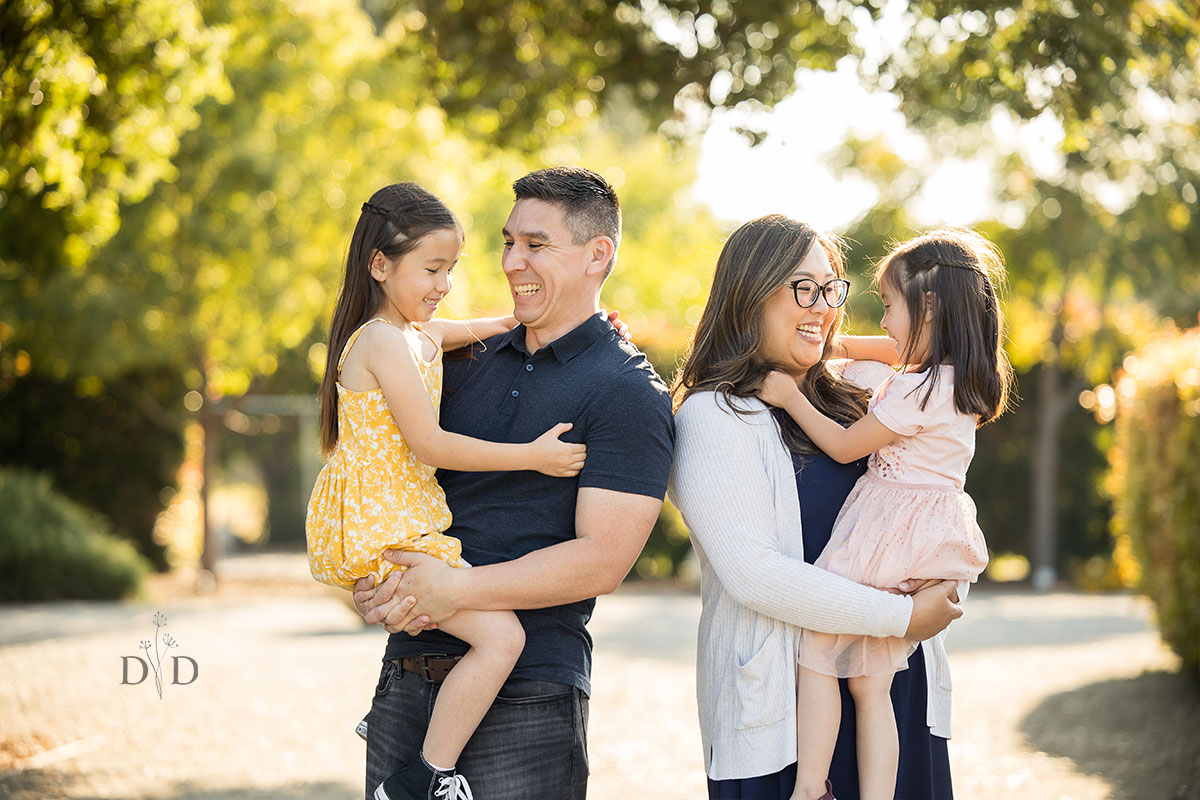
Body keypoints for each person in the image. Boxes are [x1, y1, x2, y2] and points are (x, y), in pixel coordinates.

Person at [352, 167, 675, 800]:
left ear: (597, 254)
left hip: (529, 692)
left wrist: (455, 589)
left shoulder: (628, 392)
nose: (511, 261)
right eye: (508, 242)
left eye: (536, 244)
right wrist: (381, 583)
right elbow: (389, 481)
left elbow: (602, 561)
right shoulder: (457, 359)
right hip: (407, 673)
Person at [305, 182, 590, 800]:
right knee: (503, 638)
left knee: (491, 639)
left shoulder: (414, 334)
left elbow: (485, 325)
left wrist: (562, 317)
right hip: (392, 530)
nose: (442, 286)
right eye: (432, 269)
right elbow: (431, 444)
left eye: (451, 270)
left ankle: (419, 753)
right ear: (379, 265)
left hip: (404, 523)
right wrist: (534, 457)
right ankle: (425, 776)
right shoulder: (381, 340)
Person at [669, 215, 966, 800]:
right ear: (750, 291)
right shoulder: (713, 417)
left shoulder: (860, 388)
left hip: (891, 683)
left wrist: (939, 598)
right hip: (786, 706)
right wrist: (904, 617)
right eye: (805, 287)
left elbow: (937, 492)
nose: (825, 306)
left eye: (832, 288)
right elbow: (753, 574)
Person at [755, 228, 1012, 800]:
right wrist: (836, 348)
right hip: (934, 537)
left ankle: (807, 786)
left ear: (928, 308)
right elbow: (895, 349)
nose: (885, 322)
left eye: (891, 306)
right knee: (872, 685)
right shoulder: (960, 377)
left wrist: (791, 397)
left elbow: (847, 447)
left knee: (816, 650)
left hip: (890, 530)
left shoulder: (911, 393)